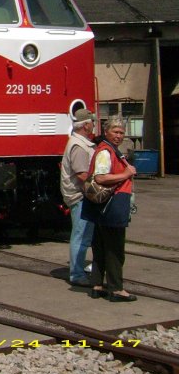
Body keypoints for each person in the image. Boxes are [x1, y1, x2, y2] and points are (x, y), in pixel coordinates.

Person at [81, 117, 137, 302]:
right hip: (111, 205)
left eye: (121, 132)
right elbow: (101, 178)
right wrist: (126, 173)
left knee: (100, 246)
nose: (119, 135)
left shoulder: (109, 149)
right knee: (114, 248)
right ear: (106, 132)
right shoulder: (105, 152)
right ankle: (116, 289)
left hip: (102, 207)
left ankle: (97, 285)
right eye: (115, 131)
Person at [59, 109, 96, 287]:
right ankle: (77, 273)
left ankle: (81, 269)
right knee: (81, 236)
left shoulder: (81, 143)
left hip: (83, 195)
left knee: (85, 235)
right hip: (81, 196)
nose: (94, 125)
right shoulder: (78, 146)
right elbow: (82, 174)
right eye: (92, 122)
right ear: (86, 125)